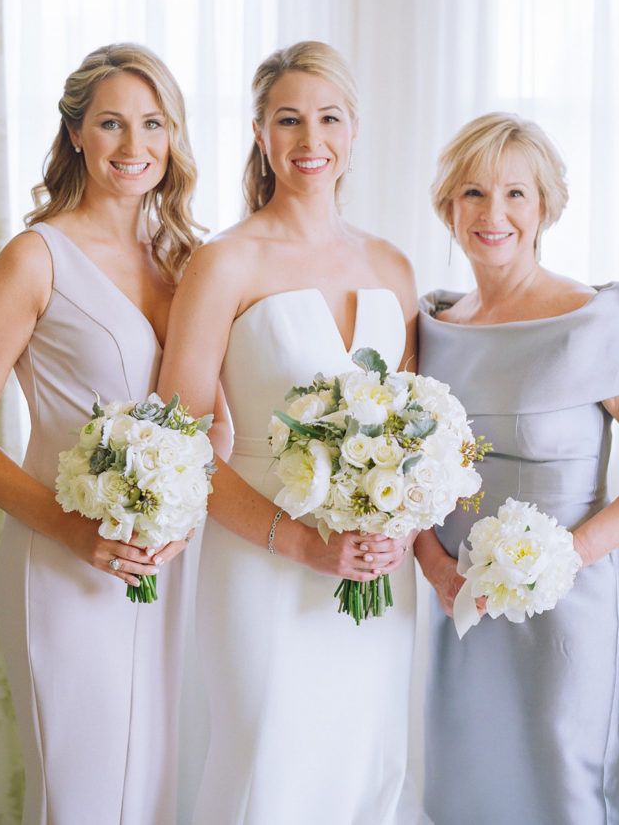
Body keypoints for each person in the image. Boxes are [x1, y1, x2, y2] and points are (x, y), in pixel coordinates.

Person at [0, 43, 221, 825]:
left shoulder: (188, 261)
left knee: (163, 786)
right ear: (75, 134)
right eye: (110, 124)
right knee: (82, 791)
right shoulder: (36, 259)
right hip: (66, 560)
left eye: (152, 124)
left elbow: (215, 424)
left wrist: (182, 520)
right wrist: (74, 531)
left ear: (173, 138)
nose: (133, 147)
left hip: (174, 564)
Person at [158, 40, 419, 825]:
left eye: (328, 117)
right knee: (268, 762)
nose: (311, 139)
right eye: (288, 119)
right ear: (260, 133)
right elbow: (181, 439)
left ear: (354, 130)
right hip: (261, 557)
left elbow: (412, 429)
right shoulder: (225, 262)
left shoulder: (392, 264)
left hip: (377, 570)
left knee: (364, 759)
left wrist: (398, 526)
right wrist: (305, 543)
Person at [415, 111, 619, 825]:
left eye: (515, 193)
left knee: (560, 787)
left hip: (566, 610)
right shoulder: (432, 325)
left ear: (544, 204)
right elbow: (413, 470)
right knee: (464, 786)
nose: (493, 214)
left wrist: (563, 557)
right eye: (473, 193)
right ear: (448, 206)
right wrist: (431, 561)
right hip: (458, 604)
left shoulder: (592, 319)